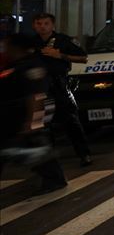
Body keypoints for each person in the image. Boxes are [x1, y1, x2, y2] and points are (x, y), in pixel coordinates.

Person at [1, 33, 68, 193]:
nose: (5, 49)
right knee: (24, 147)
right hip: (11, 114)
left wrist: (34, 121)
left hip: (21, 114)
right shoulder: (15, 65)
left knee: (30, 146)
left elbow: (36, 96)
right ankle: (54, 178)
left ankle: (55, 179)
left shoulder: (32, 66)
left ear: (17, 47)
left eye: (7, 45)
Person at [30, 13, 92, 166]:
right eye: (39, 23)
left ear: (52, 25)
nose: (42, 27)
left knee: (71, 121)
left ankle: (84, 154)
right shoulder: (31, 42)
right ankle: (48, 160)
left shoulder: (63, 40)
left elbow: (83, 58)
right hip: (40, 88)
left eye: (46, 23)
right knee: (42, 125)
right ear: (34, 25)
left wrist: (60, 55)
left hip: (59, 85)